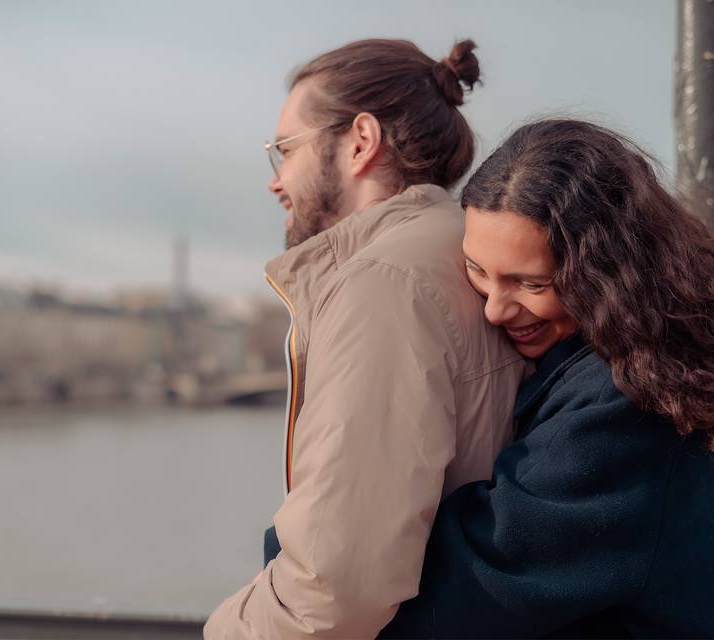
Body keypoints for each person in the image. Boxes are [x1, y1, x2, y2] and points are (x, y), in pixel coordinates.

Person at [378, 118, 714, 639]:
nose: (495, 309)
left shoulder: (628, 406)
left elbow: (473, 588)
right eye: (477, 270)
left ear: (606, 275)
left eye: (531, 283)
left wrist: (322, 546)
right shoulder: (641, 363)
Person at [203, 39, 525, 639]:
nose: (277, 181)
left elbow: (334, 591)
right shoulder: (459, 249)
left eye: (285, 150)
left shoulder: (382, 283)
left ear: (360, 141)